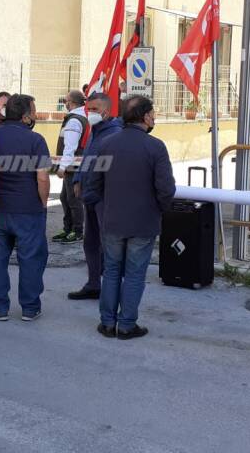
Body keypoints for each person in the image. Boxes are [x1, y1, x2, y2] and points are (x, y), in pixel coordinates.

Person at [88, 95, 174, 340]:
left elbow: (93, 184)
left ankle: (107, 323)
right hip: (142, 222)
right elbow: (166, 189)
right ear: (146, 117)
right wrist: (160, 210)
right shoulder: (155, 147)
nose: (154, 117)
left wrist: (101, 208)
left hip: (112, 220)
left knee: (112, 271)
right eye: (153, 114)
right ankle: (126, 325)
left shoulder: (106, 143)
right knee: (135, 273)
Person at [0, 94, 51, 321]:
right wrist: (43, 202)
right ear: (25, 117)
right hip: (28, 209)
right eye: (33, 112)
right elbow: (42, 177)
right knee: (31, 259)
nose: (35, 115)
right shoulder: (36, 140)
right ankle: (30, 308)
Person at [68, 93, 122, 300]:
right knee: (90, 242)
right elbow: (87, 159)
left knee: (108, 244)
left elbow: (111, 169)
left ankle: (110, 288)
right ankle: (93, 284)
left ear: (107, 111)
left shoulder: (115, 134)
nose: (91, 113)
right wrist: (78, 180)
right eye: (88, 109)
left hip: (104, 198)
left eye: (95, 109)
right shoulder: (95, 131)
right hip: (89, 195)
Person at [51, 90, 89, 244]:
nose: (64, 103)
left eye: (66, 101)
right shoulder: (81, 116)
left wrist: (63, 166)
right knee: (65, 197)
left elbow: (70, 146)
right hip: (75, 164)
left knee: (72, 199)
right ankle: (68, 228)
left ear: (71, 102)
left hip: (72, 165)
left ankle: (77, 231)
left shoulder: (74, 120)